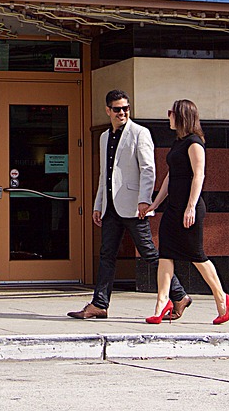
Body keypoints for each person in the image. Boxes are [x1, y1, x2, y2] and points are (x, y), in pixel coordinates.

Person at [68, 90, 191, 320]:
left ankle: (180, 295)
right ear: (108, 111)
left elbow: (148, 169)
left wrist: (145, 200)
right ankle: (99, 304)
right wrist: (98, 204)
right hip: (111, 207)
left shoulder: (140, 133)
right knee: (106, 254)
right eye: (117, 109)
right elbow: (105, 175)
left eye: (126, 108)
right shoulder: (104, 137)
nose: (122, 112)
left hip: (134, 205)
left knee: (149, 254)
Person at [145, 99, 229, 325]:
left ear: (182, 116)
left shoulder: (194, 143)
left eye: (171, 113)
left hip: (189, 208)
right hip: (173, 207)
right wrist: (156, 203)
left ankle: (222, 298)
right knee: (165, 254)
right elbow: (170, 176)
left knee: (197, 256)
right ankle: (161, 303)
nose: (168, 117)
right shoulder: (178, 143)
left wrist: (191, 206)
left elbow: (199, 175)